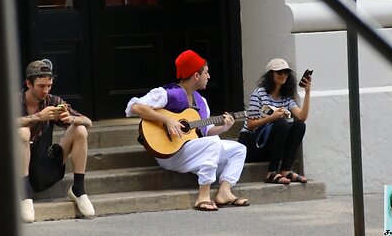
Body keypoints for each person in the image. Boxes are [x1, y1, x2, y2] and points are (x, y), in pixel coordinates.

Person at [125, 50, 250, 211]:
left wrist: (224, 127)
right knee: (213, 143)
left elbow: (204, 132)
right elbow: (134, 107)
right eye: (206, 72)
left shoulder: (201, 101)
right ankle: (203, 196)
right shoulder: (168, 94)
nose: (209, 77)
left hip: (193, 151)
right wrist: (167, 120)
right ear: (196, 76)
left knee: (239, 149)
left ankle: (224, 191)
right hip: (170, 153)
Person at [18, 60, 95, 223]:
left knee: (80, 128)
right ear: (28, 83)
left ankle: (78, 189)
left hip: (43, 167)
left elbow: (88, 122)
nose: (46, 90)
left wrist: (71, 118)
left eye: (49, 85)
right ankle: (24, 194)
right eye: (41, 86)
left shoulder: (53, 101)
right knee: (23, 131)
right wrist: (37, 117)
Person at [238, 58, 311, 184]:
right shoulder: (259, 93)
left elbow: (302, 117)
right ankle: (271, 172)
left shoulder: (286, 97)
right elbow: (250, 125)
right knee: (281, 124)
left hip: (270, 146)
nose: (283, 75)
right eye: (279, 72)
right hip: (252, 144)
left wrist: (307, 91)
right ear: (270, 75)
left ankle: (285, 170)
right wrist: (272, 118)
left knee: (299, 125)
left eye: (286, 73)